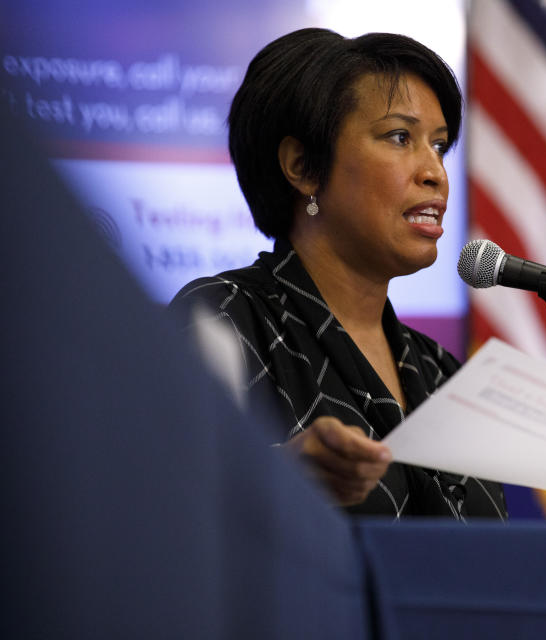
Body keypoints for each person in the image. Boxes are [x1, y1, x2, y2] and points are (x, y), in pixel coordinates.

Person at [170, 28, 506, 521]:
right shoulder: (223, 319)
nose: (435, 172)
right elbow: (153, 501)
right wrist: (279, 476)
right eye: (399, 137)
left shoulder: (444, 374)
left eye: (439, 145)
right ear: (303, 166)